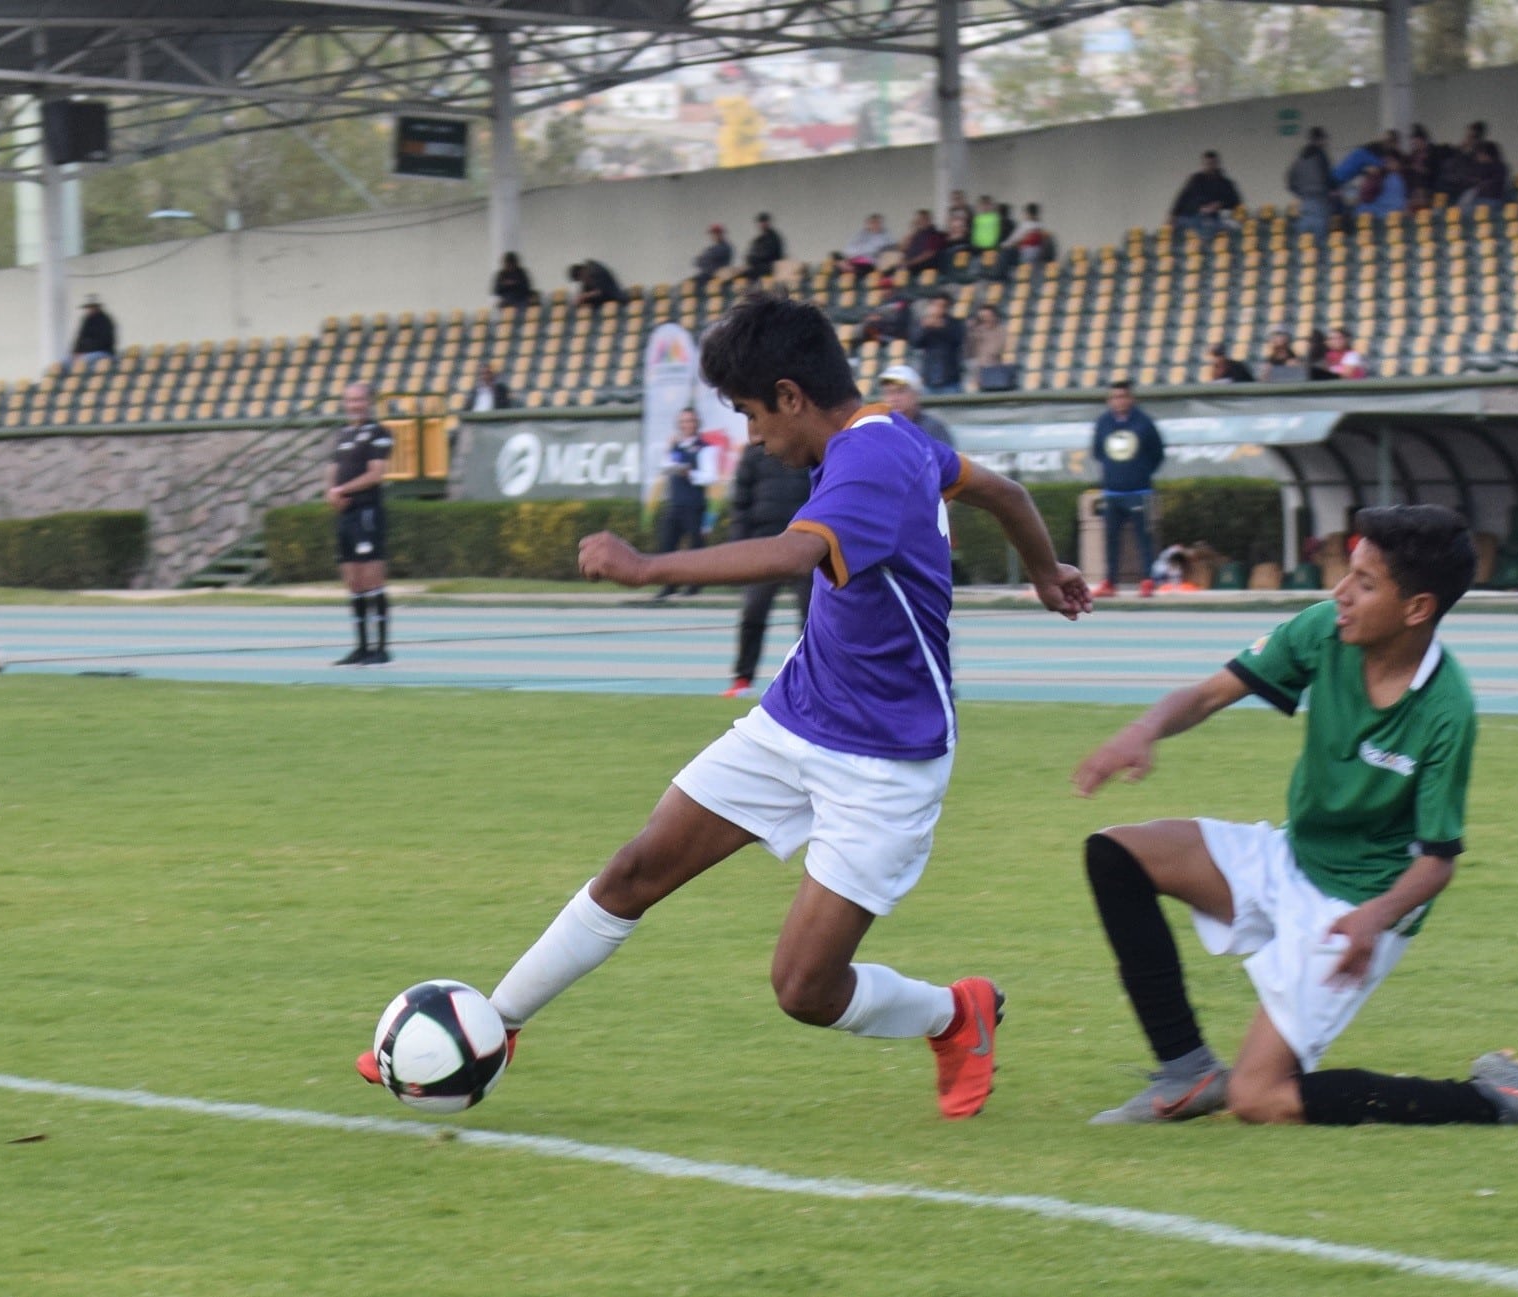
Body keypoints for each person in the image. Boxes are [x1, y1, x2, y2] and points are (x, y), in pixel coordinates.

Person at [358, 290, 1092, 1120]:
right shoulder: (890, 437)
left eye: (750, 414)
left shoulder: (873, 461)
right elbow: (1007, 494)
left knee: (803, 987)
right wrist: (1043, 569)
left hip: (886, 761)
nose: (751, 437)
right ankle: (491, 1026)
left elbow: (791, 552)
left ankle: (956, 1016)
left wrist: (647, 569)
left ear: (790, 395)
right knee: (635, 870)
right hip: (796, 719)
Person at [1072, 505, 1518, 1128]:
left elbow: (1437, 863)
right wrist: (1142, 732)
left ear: (1417, 609)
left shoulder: (1446, 709)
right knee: (1115, 852)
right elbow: (1207, 694)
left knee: (1260, 1099)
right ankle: (1185, 1073)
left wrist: (1374, 919)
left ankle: (1497, 1099)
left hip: (1358, 907)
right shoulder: (1322, 630)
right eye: (1346, 574)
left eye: (1364, 583)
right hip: (1290, 857)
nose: (1340, 594)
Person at [721, 434, 813, 699]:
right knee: (753, 614)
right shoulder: (753, 451)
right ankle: (742, 679)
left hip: (804, 542)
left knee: (812, 619)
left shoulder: (808, 445)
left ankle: (807, 680)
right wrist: (737, 547)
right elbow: (741, 501)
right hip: (765, 543)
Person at [323, 382, 394, 667]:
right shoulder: (343, 434)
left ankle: (381, 647)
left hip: (367, 511)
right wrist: (331, 492)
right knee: (352, 580)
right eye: (350, 401)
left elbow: (375, 474)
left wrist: (344, 490)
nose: (354, 405)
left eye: (359, 400)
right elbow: (331, 469)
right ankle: (361, 646)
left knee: (372, 578)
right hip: (346, 514)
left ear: (369, 401)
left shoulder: (378, 433)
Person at [1093, 379, 1165, 598]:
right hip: (1112, 492)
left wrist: (1141, 473)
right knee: (1111, 540)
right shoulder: (1103, 423)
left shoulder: (1144, 423)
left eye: (1123, 396)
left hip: (1139, 492)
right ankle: (1110, 581)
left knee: (1143, 539)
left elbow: (1157, 454)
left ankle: (1147, 580)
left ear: (1131, 398)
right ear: (1109, 400)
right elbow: (1098, 452)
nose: (1119, 401)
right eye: (1115, 397)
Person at [653, 407, 715, 600]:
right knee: (667, 545)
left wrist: (691, 474)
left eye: (690, 421)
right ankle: (669, 584)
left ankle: (694, 584)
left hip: (694, 504)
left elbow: (709, 477)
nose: (686, 425)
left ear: (696, 424)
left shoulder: (705, 448)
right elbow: (665, 467)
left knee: (695, 547)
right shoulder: (675, 446)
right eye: (683, 422)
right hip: (675, 503)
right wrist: (670, 452)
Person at [1170, 150, 1242, 235]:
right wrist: (1173, 215)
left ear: (1216, 164)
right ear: (1203, 164)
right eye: (1207, 164)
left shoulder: (1226, 184)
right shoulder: (1195, 180)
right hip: (1195, 218)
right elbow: (1182, 199)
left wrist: (1219, 205)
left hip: (1217, 219)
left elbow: (1236, 203)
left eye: (1212, 163)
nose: (1209, 166)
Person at [878, 364, 952, 446]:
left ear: (916, 394)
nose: (894, 398)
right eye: (889, 393)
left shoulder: (933, 428)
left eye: (900, 391)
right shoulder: (879, 428)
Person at [908, 292, 966, 395]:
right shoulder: (923, 323)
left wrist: (941, 327)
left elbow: (958, 339)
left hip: (950, 379)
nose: (938, 308)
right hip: (929, 380)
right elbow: (915, 342)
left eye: (942, 306)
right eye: (936, 305)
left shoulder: (955, 324)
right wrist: (925, 328)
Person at [1286, 127, 1335, 236]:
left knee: (1305, 238)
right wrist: (1331, 190)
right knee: (1319, 237)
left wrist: (1299, 193)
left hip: (1305, 201)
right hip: (1320, 200)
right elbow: (1327, 178)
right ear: (1320, 139)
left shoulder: (1300, 158)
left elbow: (1290, 180)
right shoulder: (1320, 156)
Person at [967, 303, 1014, 391]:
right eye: (982, 317)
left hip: (994, 372)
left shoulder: (1001, 331)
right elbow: (968, 350)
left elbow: (995, 350)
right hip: (978, 374)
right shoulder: (975, 332)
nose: (985, 320)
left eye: (987, 316)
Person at [71, 297, 115, 368]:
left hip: (103, 352)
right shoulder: (86, 321)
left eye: (91, 307)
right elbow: (80, 338)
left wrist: (84, 351)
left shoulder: (105, 321)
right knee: (66, 362)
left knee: (83, 362)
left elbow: (103, 342)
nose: (89, 309)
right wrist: (75, 352)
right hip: (87, 353)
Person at [901, 209, 947, 276]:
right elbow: (902, 248)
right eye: (917, 220)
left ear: (928, 220)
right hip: (909, 266)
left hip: (923, 268)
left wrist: (909, 263)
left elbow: (929, 254)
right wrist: (911, 231)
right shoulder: (916, 234)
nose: (919, 222)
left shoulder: (935, 234)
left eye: (921, 219)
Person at [743, 212, 785, 283]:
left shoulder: (773, 237)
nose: (762, 224)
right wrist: (750, 258)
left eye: (764, 221)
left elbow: (769, 254)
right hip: (760, 265)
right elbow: (753, 251)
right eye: (761, 222)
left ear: (768, 222)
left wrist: (755, 258)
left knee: (750, 273)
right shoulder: (759, 239)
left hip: (770, 266)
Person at [693, 224, 733, 289]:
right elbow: (696, 262)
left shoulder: (725, 247)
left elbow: (706, 260)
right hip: (706, 274)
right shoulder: (712, 248)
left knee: (694, 285)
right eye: (712, 234)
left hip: (716, 275)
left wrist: (703, 259)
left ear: (721, 234)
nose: (713, 236)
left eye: (716, 233)